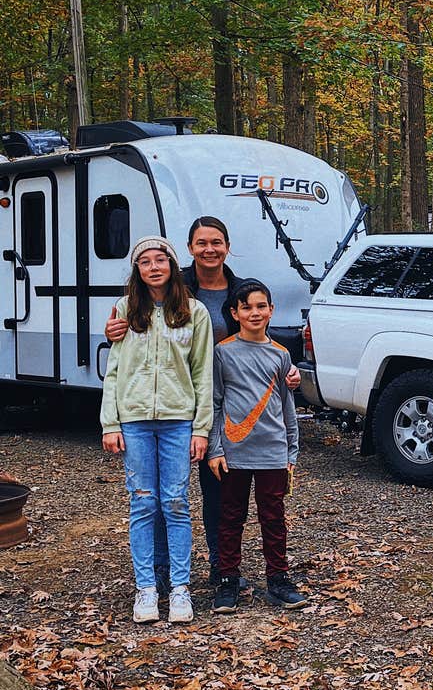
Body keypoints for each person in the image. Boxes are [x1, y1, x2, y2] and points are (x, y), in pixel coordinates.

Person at [105, 216, 300, 589]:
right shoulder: (178, 287)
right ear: (190, 249)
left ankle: (221, 570)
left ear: (227, 246)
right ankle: (164, 570)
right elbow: (135, 329)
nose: (209, 249)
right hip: (182, 401)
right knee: (163, 493)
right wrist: (113, 329)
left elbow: (260, 335)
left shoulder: (241, 289)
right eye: (201, 243)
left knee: (218, 492)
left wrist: (289, 373)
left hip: (227, 407)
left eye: (216, 242)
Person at [100, 237, 213, 624]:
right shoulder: (125, 311)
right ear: (137, 270)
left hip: (178, 421)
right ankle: (146, 587)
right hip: (133, 421)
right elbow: (114, 371)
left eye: (160, 260)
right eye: (144, 262)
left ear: (172, 265)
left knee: (176, 502)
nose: (153, 267)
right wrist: (110, 422)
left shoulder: (194, 312)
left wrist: (201, 428)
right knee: (143, 502)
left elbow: (202, 373)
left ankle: (180, 588)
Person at [207, 279, 307, 614]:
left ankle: (278, 579)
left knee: (273, 517)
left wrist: (291, 451)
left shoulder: (281, 355)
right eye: (246, 307)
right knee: (231, 516)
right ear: (234, 313)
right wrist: (215, 448)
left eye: (261, 306)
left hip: (273, 452)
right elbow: (215, 403)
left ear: (271, 310)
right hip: (234, 452)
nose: (254, 313)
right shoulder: (223, 353)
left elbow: (287, 405)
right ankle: (227, 581)